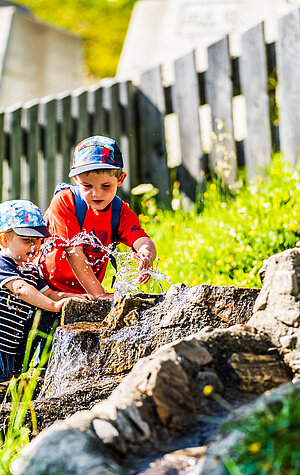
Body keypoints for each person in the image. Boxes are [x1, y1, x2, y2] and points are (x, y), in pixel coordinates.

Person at [40, 135, 157, 300]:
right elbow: (73, 252)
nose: (97, 193)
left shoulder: (119, 212)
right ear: (76, 180)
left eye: (106, 186)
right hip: (45, 290)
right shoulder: (66, 202)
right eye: (87, 186)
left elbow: (143, 240)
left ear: (121, 179)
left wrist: (146, 253)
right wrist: (100, 295)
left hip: (85, 294)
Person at [0, 200, 90, 383]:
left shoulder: (30, 270)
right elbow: (20, 289)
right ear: (4, 239)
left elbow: (49, 293)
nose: (34, 246)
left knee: (6, 385)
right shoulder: (2, 265)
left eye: (38, 240)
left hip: (11, 345)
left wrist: (72, 297)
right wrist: (53, 306)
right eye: (27, 240)